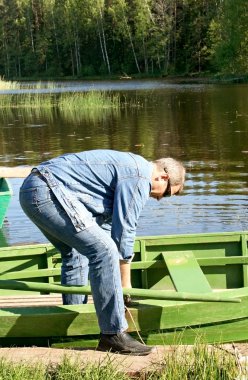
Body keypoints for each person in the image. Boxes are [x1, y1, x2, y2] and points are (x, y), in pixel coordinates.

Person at [19, 149, 185, 355]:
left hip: (31, 190)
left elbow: (108, 228)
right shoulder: (140, 175)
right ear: (163, 177)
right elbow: (124, 231)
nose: (161, 198)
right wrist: (125, 284)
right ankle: (113, 335)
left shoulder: (129, 168)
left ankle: (77, 319)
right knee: (104, 251)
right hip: (48, 192)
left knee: (76, 252)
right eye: (167, 193)